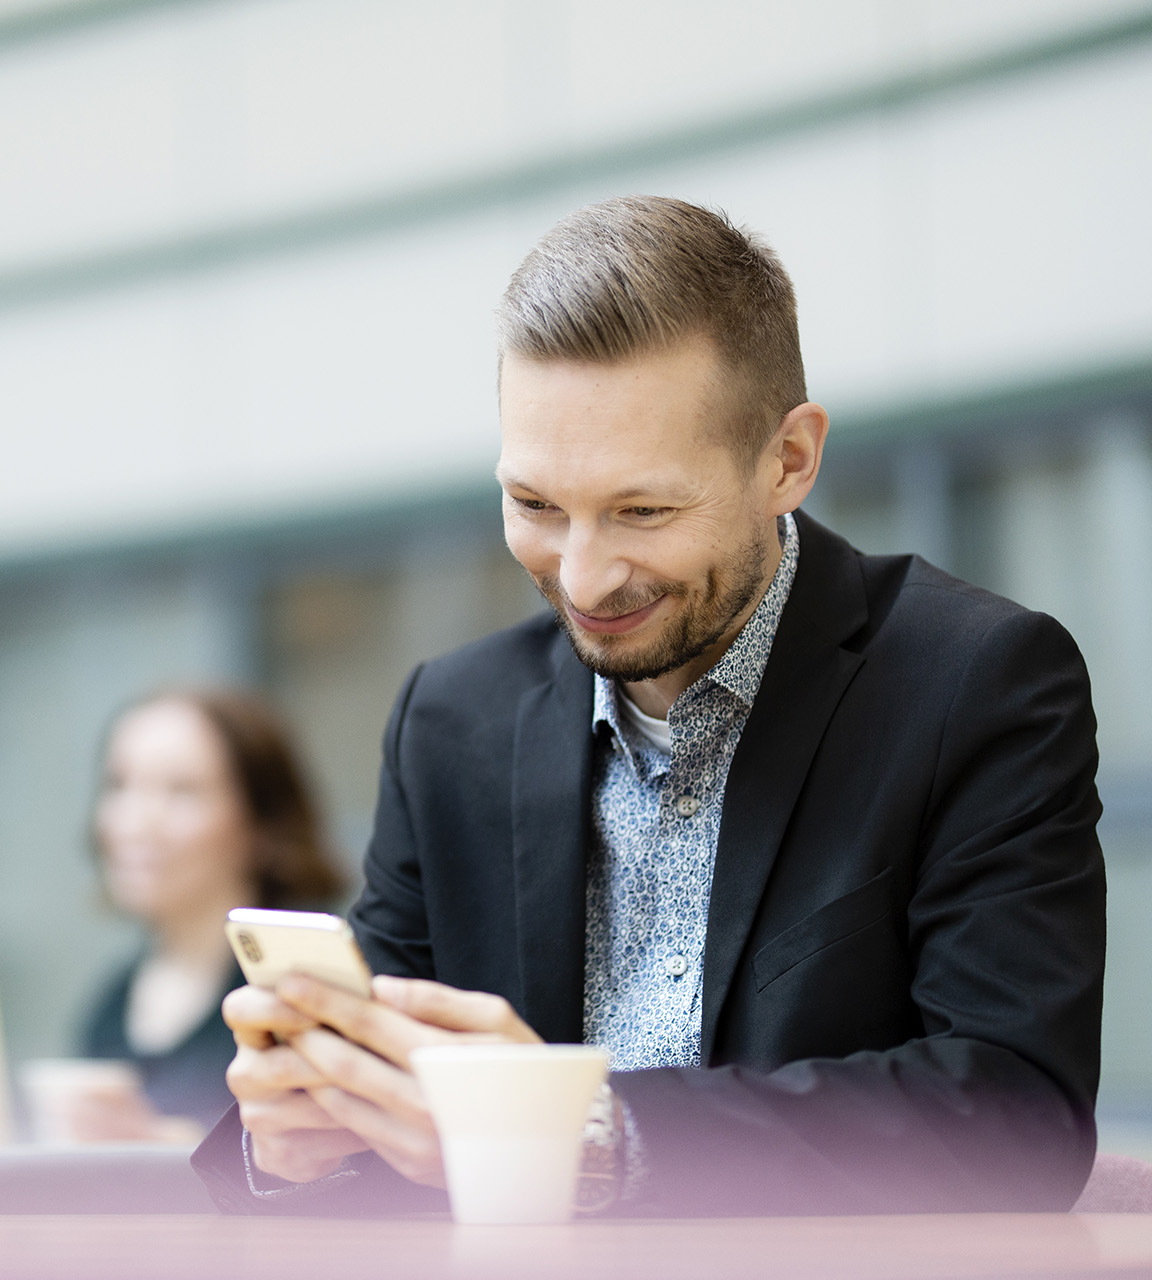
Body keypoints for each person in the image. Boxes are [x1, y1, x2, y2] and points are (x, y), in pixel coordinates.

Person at [193, 195, 1105, 1217]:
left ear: (789, 459)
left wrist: (591, 1137)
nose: (583, 578)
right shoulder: (450, 720)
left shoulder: (975, 681)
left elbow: (1016, 1118)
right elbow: (373, 1148)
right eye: (536, 505)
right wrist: (290, 1142)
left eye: (643, 510)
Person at [57, 690, 344, 1142]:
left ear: (261, 824)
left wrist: (169, 1147)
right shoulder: (108, 1004)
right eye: (119, 785)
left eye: (182, 791)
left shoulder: (308, 988)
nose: (136, 821)